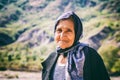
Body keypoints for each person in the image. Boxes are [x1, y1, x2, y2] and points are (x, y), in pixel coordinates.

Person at [41, 11, 110, 80]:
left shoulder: (89, 55)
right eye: (59, 30)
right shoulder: (51, 59)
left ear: (77, 34)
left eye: (68, 31)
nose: (62, 36)